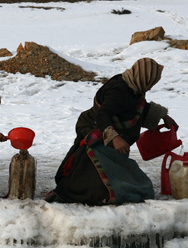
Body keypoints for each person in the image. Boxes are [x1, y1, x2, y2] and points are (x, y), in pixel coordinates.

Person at [45, 58, 178, 205]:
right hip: (97, 132)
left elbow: (137, 106)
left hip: (109, 135)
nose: (151, 87)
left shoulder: (134, 85)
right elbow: (102, 115)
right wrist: (114, 138)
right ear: (144, 79)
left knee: (128, 180)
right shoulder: (119, 91)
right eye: (151, 82)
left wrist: (163, 116)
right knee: (102, 182)